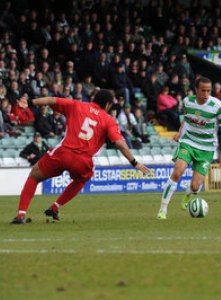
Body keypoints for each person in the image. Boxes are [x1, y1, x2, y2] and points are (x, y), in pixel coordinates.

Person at [10, 90, 150, 224]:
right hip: (83, 160)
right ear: (107, 105)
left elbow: (51, 100)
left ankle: (21, 214)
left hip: (63, 153)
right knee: (83, 178)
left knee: (34, 176)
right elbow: (120, 143)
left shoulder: (77, 105)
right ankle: (55, 207)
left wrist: (30, 102)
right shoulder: (109, 120)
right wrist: (134, 162)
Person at [156, 76, 221, 219]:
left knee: (196, 186)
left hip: (206, 149)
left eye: (209, 91)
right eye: (203, 91)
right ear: (196, 90)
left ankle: (188, 195)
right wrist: (179, 132)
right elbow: (187, 118)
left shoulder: (218, 107)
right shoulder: (187, 102)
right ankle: (163, 209)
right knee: (178, 172)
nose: (206, 94)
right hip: (188, 142)